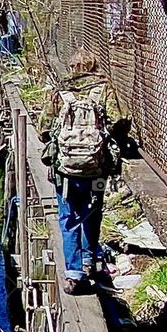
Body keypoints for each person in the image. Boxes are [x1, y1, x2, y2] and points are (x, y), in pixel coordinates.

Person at [38, 48, 128, 295]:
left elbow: (43, 129)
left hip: (65, 173)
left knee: (68, 218)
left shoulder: (61, 93)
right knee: (93, 211)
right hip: (97, 173)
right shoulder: (104, 89)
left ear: (71, 68)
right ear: (94, 67)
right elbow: (119, 121)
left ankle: (74, 274)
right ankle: (91, 261)